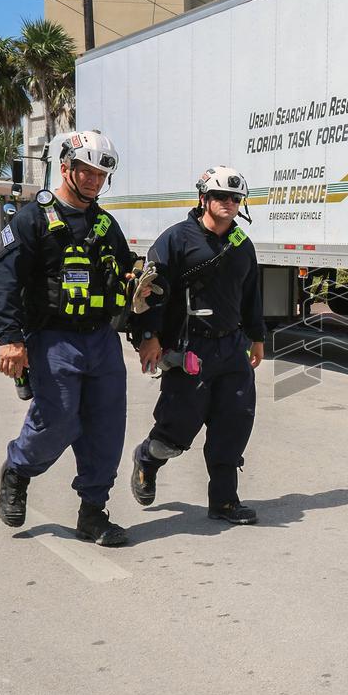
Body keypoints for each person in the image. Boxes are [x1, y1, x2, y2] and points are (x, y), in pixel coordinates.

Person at [0, 130, 140, 546]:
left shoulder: (106, 225)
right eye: (86, 171)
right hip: (52, 339)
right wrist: (10, 339)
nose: (93, 180)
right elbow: (4, 282)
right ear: (65, 167)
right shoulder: (32, 219)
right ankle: (17, 470)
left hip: (101, 340)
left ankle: (93, 513)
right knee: (57, 420)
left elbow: (126, 275)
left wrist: (144, 323)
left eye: (101, 175)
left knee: (106, 428)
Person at [130, 166, 265, 524]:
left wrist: (257, 337)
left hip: (232, 349)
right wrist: (150, 337)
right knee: (174, 433)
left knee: (233, 426)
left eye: (235, 198)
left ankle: (224, 501)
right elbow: (150, 293)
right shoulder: (176, 239)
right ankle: (147, 459)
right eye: (220, 196)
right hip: (190, 349)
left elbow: (251, 294)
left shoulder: (242, 244)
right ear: (203, 198)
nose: (229, 203)